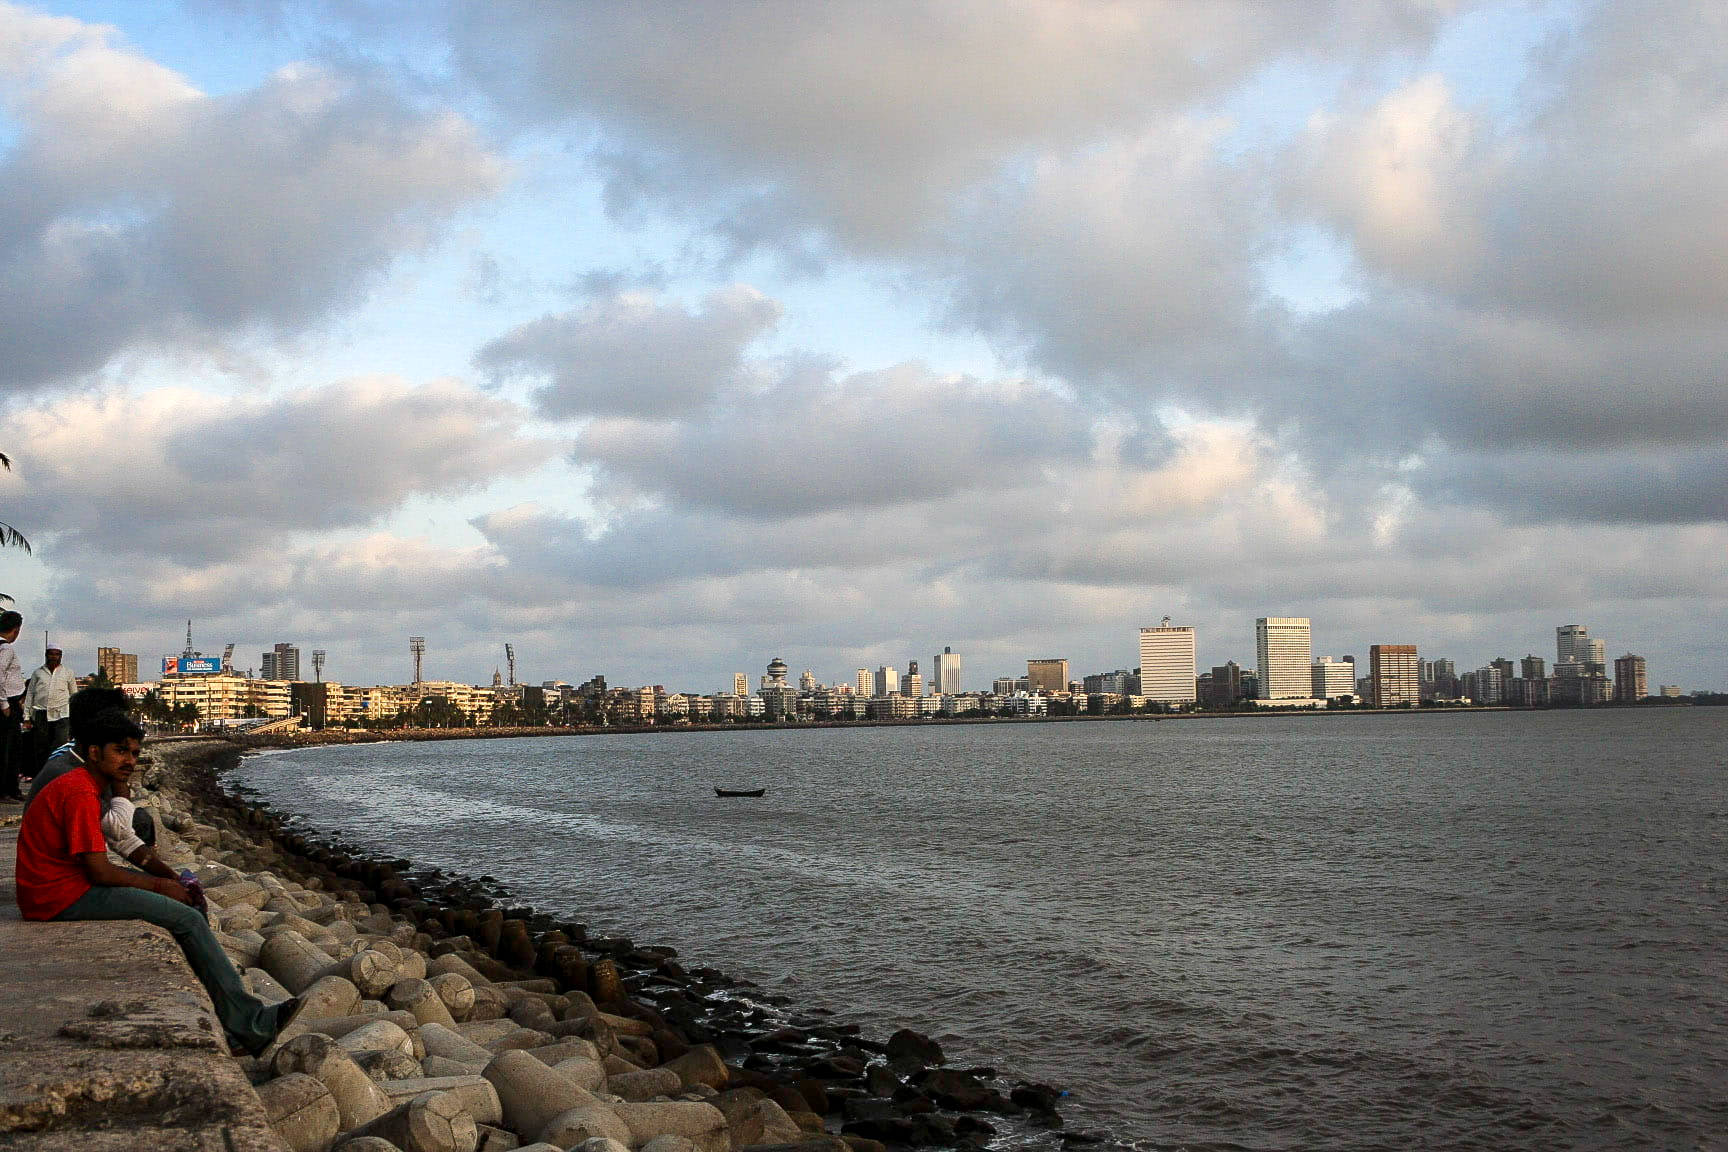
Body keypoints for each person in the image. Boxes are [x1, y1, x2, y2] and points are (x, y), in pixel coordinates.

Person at [14, 709, 294, 1054]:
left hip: (58, 889)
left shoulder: (84, 784)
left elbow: (126, 845)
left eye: (134, 753)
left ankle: (234, 1017)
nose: (130, 761)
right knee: (188, 919)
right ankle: (251, 1025)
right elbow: (99, 871)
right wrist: (164, 888)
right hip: (59, 896)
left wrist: (171, 877)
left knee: (182, 910)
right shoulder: (80, 792)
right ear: (93, 752)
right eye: (120, 751)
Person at [22, 646, 76, 771]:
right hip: (41, 714)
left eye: (57, 654)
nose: (54, 657)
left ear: (60, 656)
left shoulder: (68, 673)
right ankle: (42, 774)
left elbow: (74, 695)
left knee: (60, 746)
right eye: (51, 654)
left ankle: (58, 774)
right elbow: (30, 694)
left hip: (62, 714)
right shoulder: (37, 673)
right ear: (46, 655)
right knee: (41, 747)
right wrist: (27, 716)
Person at [0, 610, 24, 801]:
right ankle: (7, 789)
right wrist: (4, 703)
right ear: (15, 630)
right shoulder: (6, 649)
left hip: (9, 701)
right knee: (9, 749)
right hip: (8, 702)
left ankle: (10, 789)